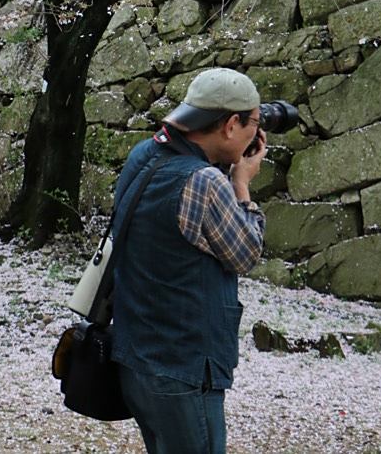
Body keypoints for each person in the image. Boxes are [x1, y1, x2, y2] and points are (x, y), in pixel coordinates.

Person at [110, 67, 267, 454]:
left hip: (136, 357)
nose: (256, 135)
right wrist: (242, 183)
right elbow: (245, 253)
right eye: (254, 124)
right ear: (231, 125)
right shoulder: (205, 182)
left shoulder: (144, 155)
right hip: (183, 367)